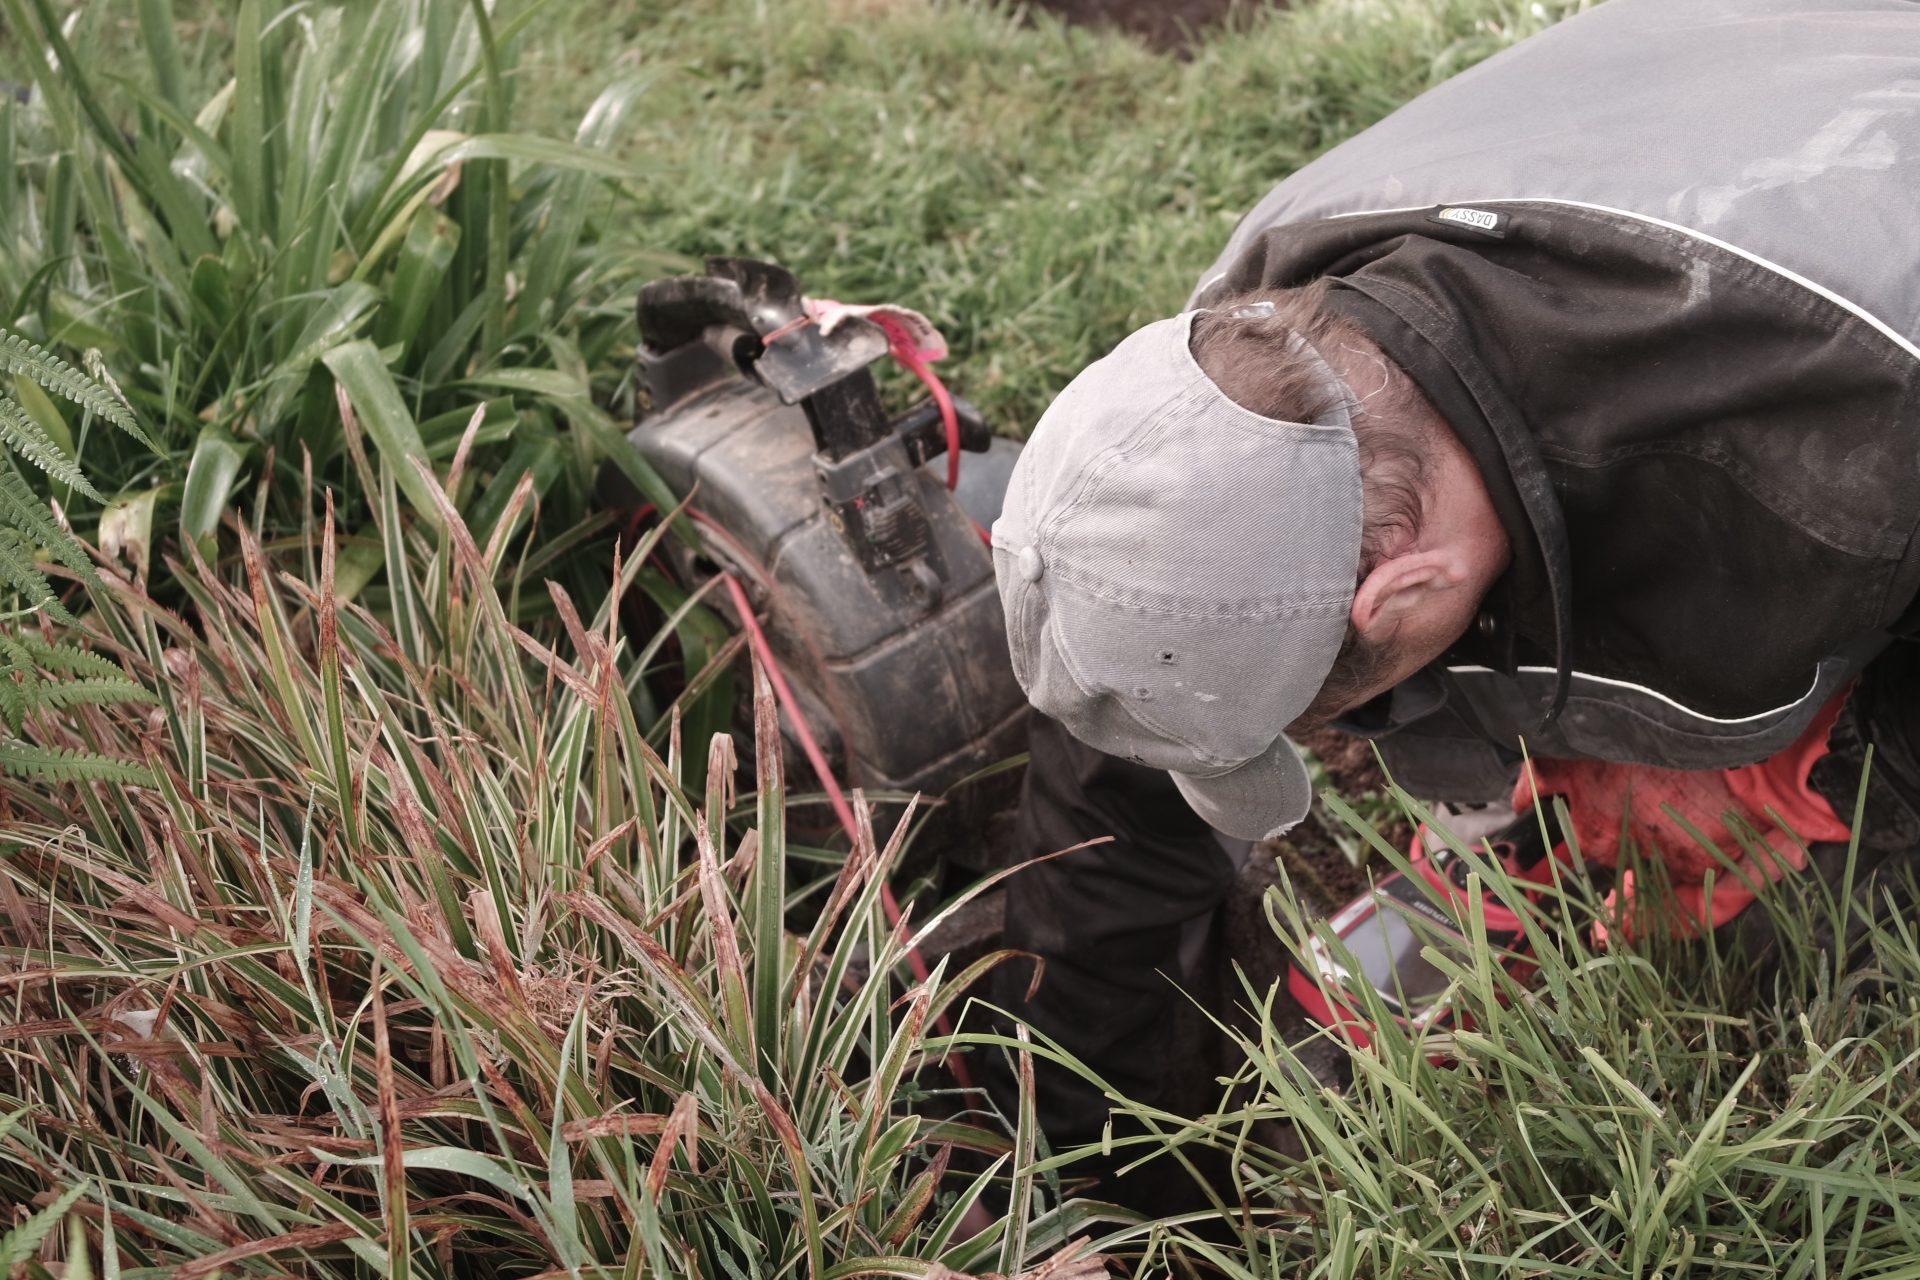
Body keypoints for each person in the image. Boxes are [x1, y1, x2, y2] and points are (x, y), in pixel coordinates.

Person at [982, 0, 1920, 1203]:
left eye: (1340, 709)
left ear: (1409, 585)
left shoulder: (1842, 460)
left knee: (1822, 943)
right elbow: (1121, 773)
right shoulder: (1245, 338)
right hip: (1741, 76)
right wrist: (1091, 1174)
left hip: (1860, 194)